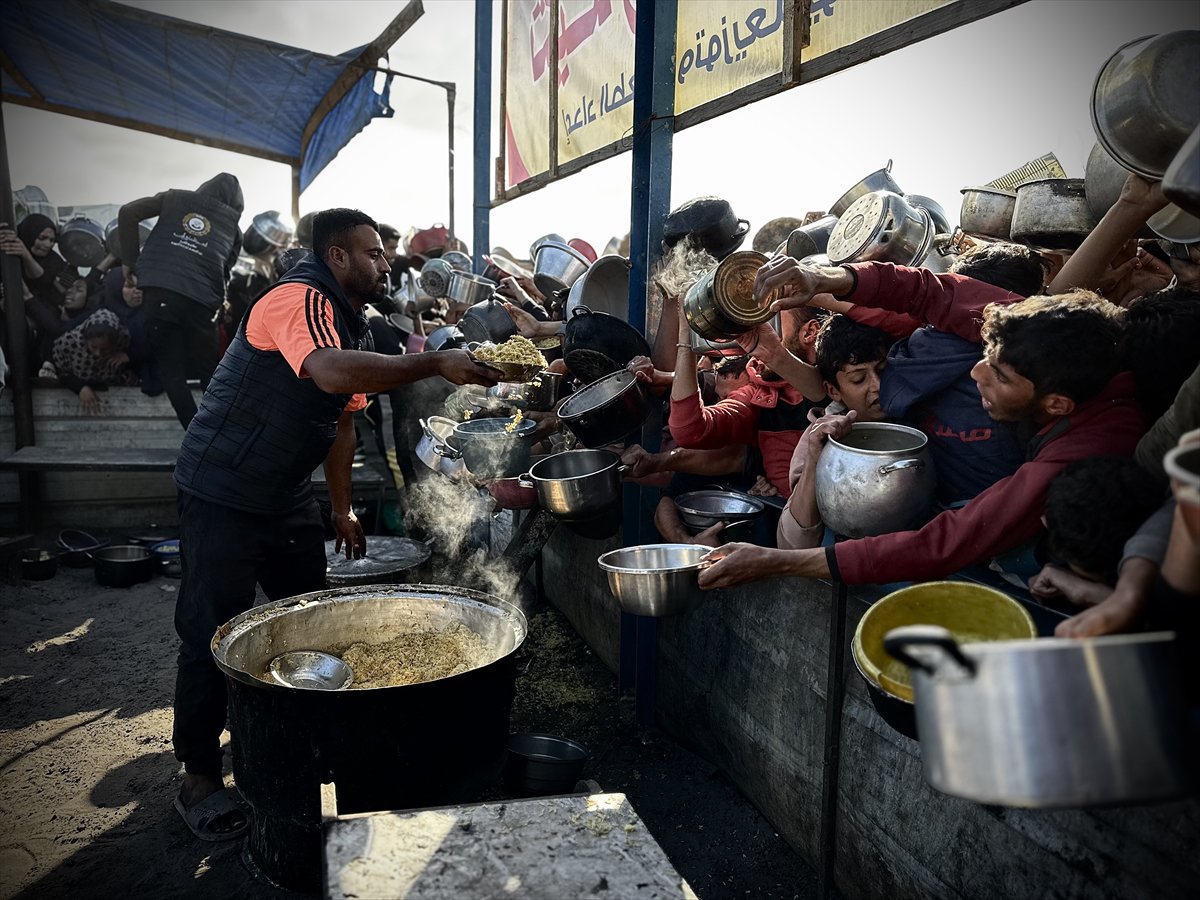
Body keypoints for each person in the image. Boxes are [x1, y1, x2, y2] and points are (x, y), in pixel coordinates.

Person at [168, 208, 498, 842]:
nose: (385, 263)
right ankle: (200, 776)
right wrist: (434, 364)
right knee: (210, 629)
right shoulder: (299, 298)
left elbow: (342, 422)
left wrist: (341, 507)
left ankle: (294, 746)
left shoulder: (351, 323)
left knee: (307, 617)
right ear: (337, 256)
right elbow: (326, 372)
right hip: (223, 488)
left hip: (284, 494)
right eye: (373, 253)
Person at [699, 259, 1144, 591]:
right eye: (985, 355)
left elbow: (950, 541)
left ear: (1056, 405)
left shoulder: (1089, 447)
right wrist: (823, 280)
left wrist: (782, 563)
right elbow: (931, 293)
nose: (976, 374)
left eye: (1001, 376)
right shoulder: (1042, 329)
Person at [118, 172, 245, 429]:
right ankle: (223, 435)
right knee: (211, 373)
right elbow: (225, 272)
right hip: (201, 302)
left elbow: (127, 212)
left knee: (171, 372)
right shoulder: (233, 227)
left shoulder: (173, 199)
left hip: (159, 292)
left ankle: (196, 435)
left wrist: (129, 261)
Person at [777, 316, 892, 550]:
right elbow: (792, 545)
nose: (877, 385)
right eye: (859, 378)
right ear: (833, 390)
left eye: (882, 370)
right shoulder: (817, 438)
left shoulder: (920, 423)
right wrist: (815, 459)